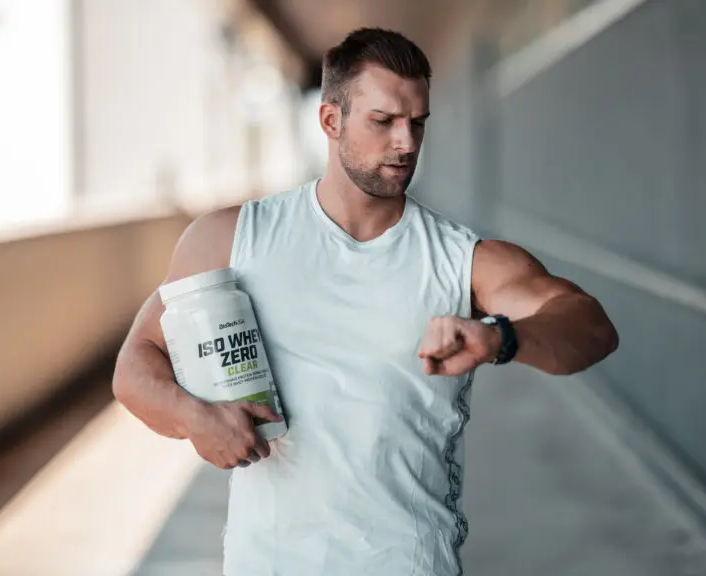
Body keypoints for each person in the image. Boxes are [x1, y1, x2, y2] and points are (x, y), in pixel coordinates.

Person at [112, 27, 618, 576]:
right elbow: (136, 363)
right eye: (384, 121)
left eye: (417, 123)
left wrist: (499, 336)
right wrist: (194, 417)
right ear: (331, 121)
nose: (406, 143)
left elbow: (590, 327)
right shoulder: (232, 238)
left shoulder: (462, 260)